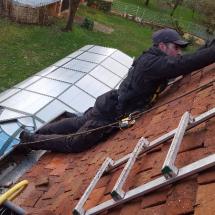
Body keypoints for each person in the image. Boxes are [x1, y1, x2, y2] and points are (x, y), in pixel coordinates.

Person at [16, 28, 215, 153]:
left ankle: (35, 133)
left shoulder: (154, 59)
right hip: (109, 115)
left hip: (107, 104)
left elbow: (183, 61)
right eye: (176, 47)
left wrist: (209, 46)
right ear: (162, 46)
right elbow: (185, 63)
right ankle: (31, 141)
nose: (179, 52)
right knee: (75, 143)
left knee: (77, 122)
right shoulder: (154, 65)